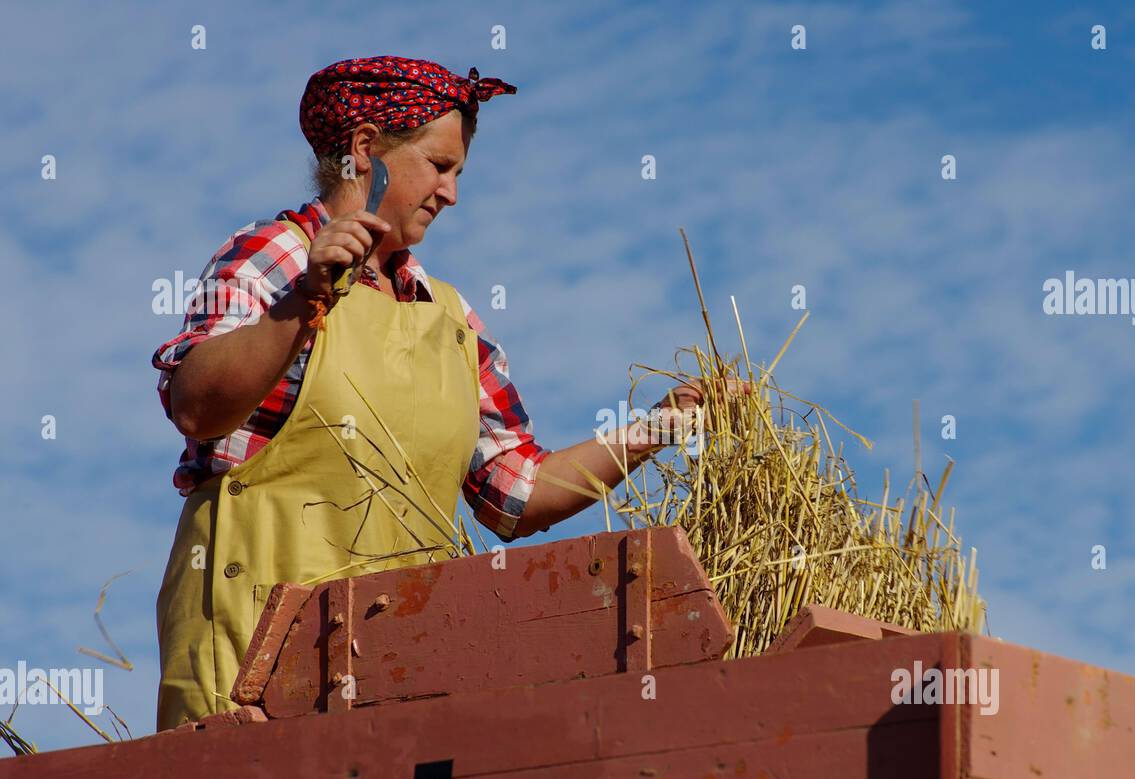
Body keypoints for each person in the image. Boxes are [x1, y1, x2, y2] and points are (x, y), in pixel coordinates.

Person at [150, 55, 721, 731]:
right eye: (439, 166)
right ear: (366, 151)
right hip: (250, 670)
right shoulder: (270, 257)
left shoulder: (446, 318)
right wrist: (305, 299)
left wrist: (657, 427)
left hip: (395, 673)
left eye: (458, 173)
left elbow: (515, 493)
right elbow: (195, 404)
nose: (451, 193)